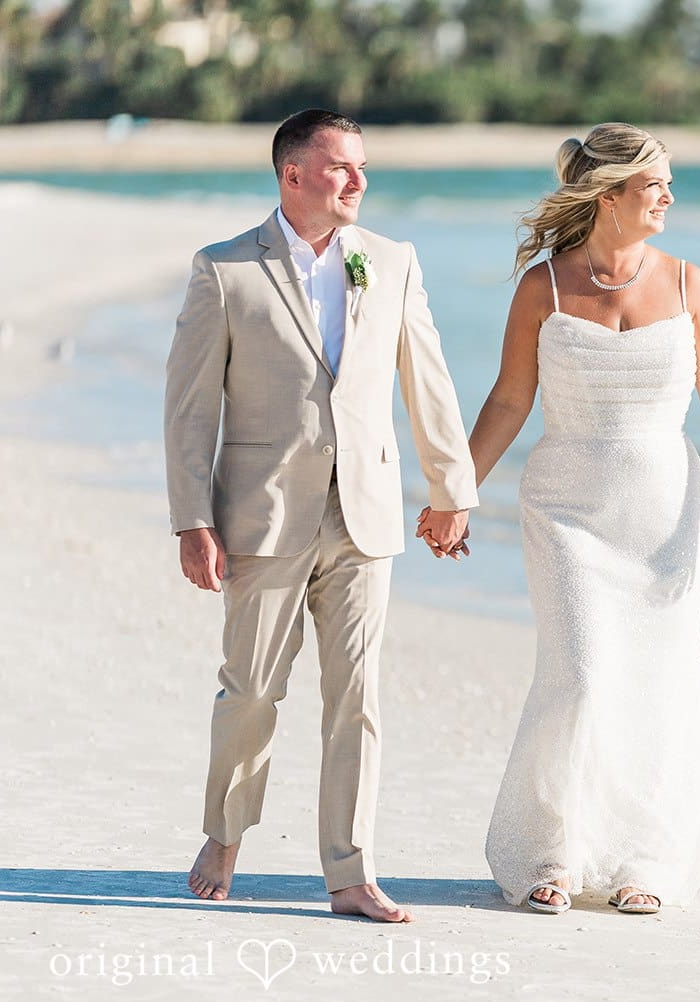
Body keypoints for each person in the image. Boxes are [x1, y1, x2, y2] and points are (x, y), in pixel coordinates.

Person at [453, 122, 700, 916]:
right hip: (566, 510)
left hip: (665, 514)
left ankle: (644, 858)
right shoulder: (543, 286)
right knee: (580, 676)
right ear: (610, 195)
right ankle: (553, 851)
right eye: (656, 184)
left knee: (656, 683)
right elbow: (509, 399)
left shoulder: (687, 282)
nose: (670, 197)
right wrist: (456, 490)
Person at [164, 108, 478, 922]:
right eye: (342, 166)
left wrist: (451, 489)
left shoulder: (392, 261)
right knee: (252, 690)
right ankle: (224, 835)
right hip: (263, 513)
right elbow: (191, 409)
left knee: (357, 696)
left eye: (362, 166)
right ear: (293, 173)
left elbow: (428, 379)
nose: (359, 181)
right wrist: (191, 518)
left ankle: (351, 870)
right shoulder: (225, 269)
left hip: (365, 513)